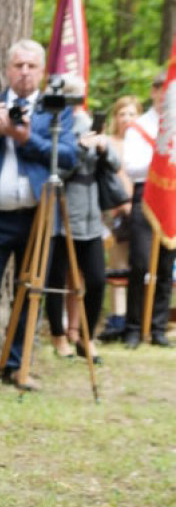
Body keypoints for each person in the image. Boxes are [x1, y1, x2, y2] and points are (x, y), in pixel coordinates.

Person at [0, 40, 77, 392]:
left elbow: (68, 156)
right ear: (8, 69)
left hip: (37, 219)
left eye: (31, 66)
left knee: (31, 292)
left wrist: (24, 138)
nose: (24, 72)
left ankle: (16, 366)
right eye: (18, 65)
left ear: (42, 72)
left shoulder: (56, 111)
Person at [44, 77, 119, 362]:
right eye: (71, 96)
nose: (76, 103)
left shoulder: (89, 123)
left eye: (79, 96)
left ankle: (85, 337)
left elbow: (115, 164)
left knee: (98, 279)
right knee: (56, 278)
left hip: (91, 216)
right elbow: (53, 172)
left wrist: (102, 147)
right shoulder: (54, 127)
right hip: (62, 212)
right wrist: (78, 149)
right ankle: (59, 335)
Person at [121, 70, 175, 348]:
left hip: (171, 195)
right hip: (145, 193)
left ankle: (157, 327)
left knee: (166, 264)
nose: (164, 93)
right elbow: (131, 165)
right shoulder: (138, 126)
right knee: (140, 262)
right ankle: (133, 327)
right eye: (160, 88)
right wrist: (159, 161)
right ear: (154, 92)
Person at [97, 95, 140, 343]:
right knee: (117, 265)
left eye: (131, 114)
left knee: (142, 265)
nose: (126, 119)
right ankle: (117, 318)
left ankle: (139, 317)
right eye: (122, 114)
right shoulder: (110, 143)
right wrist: (119, 205)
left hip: (143, 211)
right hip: (116, 212)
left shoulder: (144, 144)